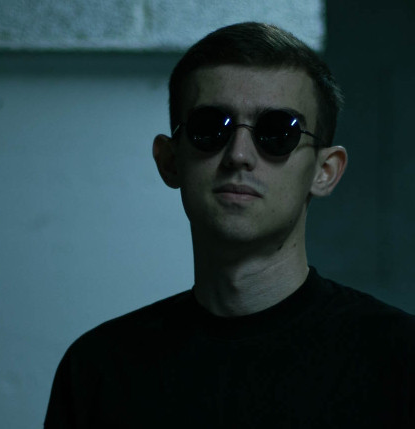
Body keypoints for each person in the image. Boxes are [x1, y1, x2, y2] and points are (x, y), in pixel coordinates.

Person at [44, 22, 415, 428]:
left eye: (277, 132)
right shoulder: (98, 369)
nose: (239, 155)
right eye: (210, 128)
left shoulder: (400, 359)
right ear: (170, 160)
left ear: (324, 171)